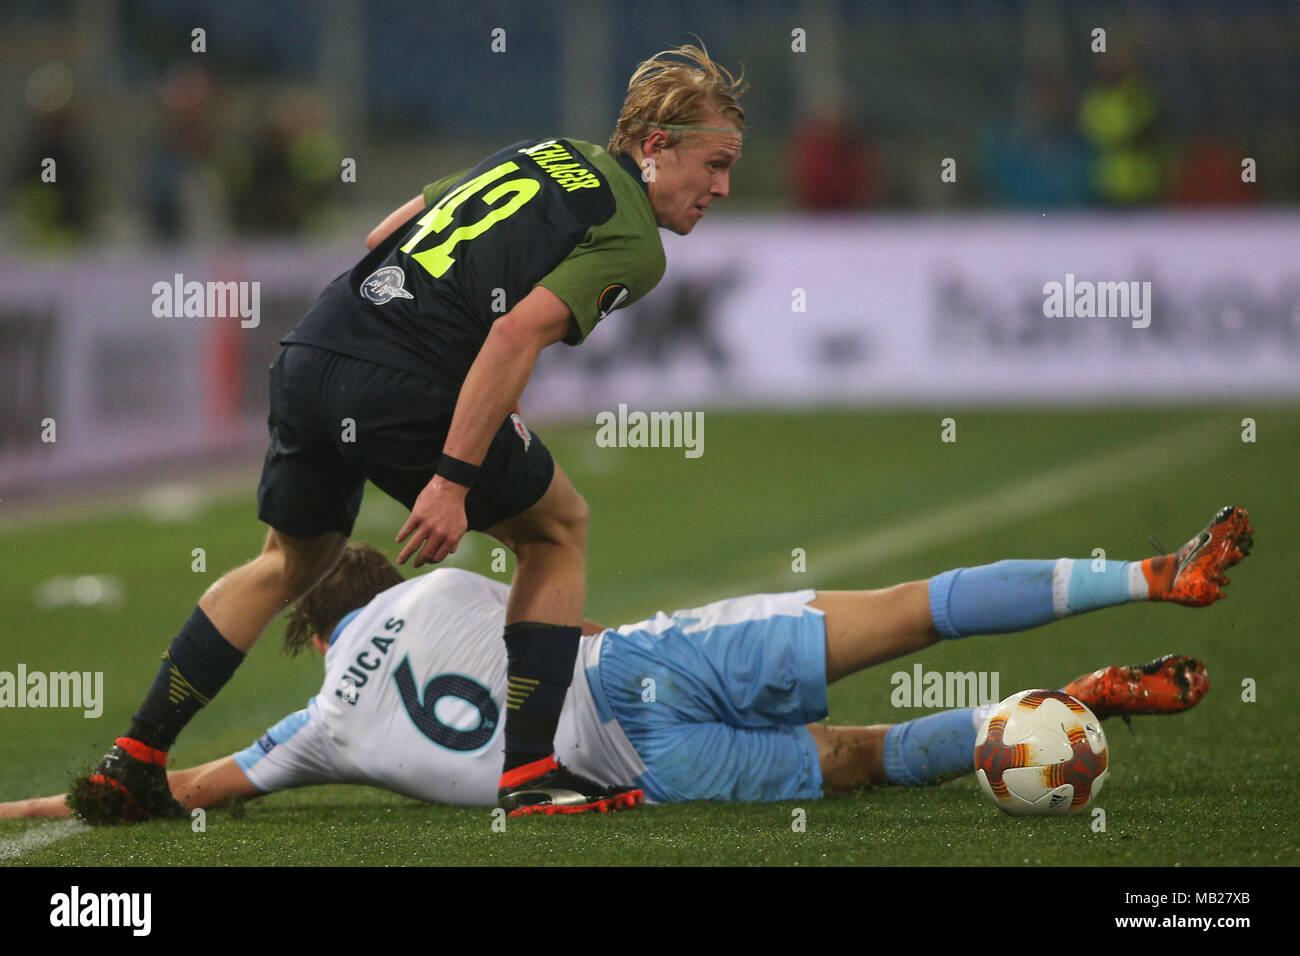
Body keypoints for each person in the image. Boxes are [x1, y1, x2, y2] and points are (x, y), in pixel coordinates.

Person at [74, 43, 747, 820]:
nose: (722, 187)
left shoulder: (545, 152)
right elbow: (511, 336)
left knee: (290, 561)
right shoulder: (636, 242)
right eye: (716, 163)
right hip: (402, 381)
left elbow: (384, 235)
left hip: (315, 348)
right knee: (558, 529)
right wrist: (452, 480)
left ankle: (135, 755)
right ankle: (530, 772)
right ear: (657, 147)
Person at [38, 506, 1250, 823]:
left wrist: (49, 801)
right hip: (637, 666)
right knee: (910, 609)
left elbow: (171, 788)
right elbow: (542, 556)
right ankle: (1153, 573)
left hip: (628, 762)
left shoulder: (307, 734)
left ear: (309, 635)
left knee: (868, 759)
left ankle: (1066, 707)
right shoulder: (445, 580)